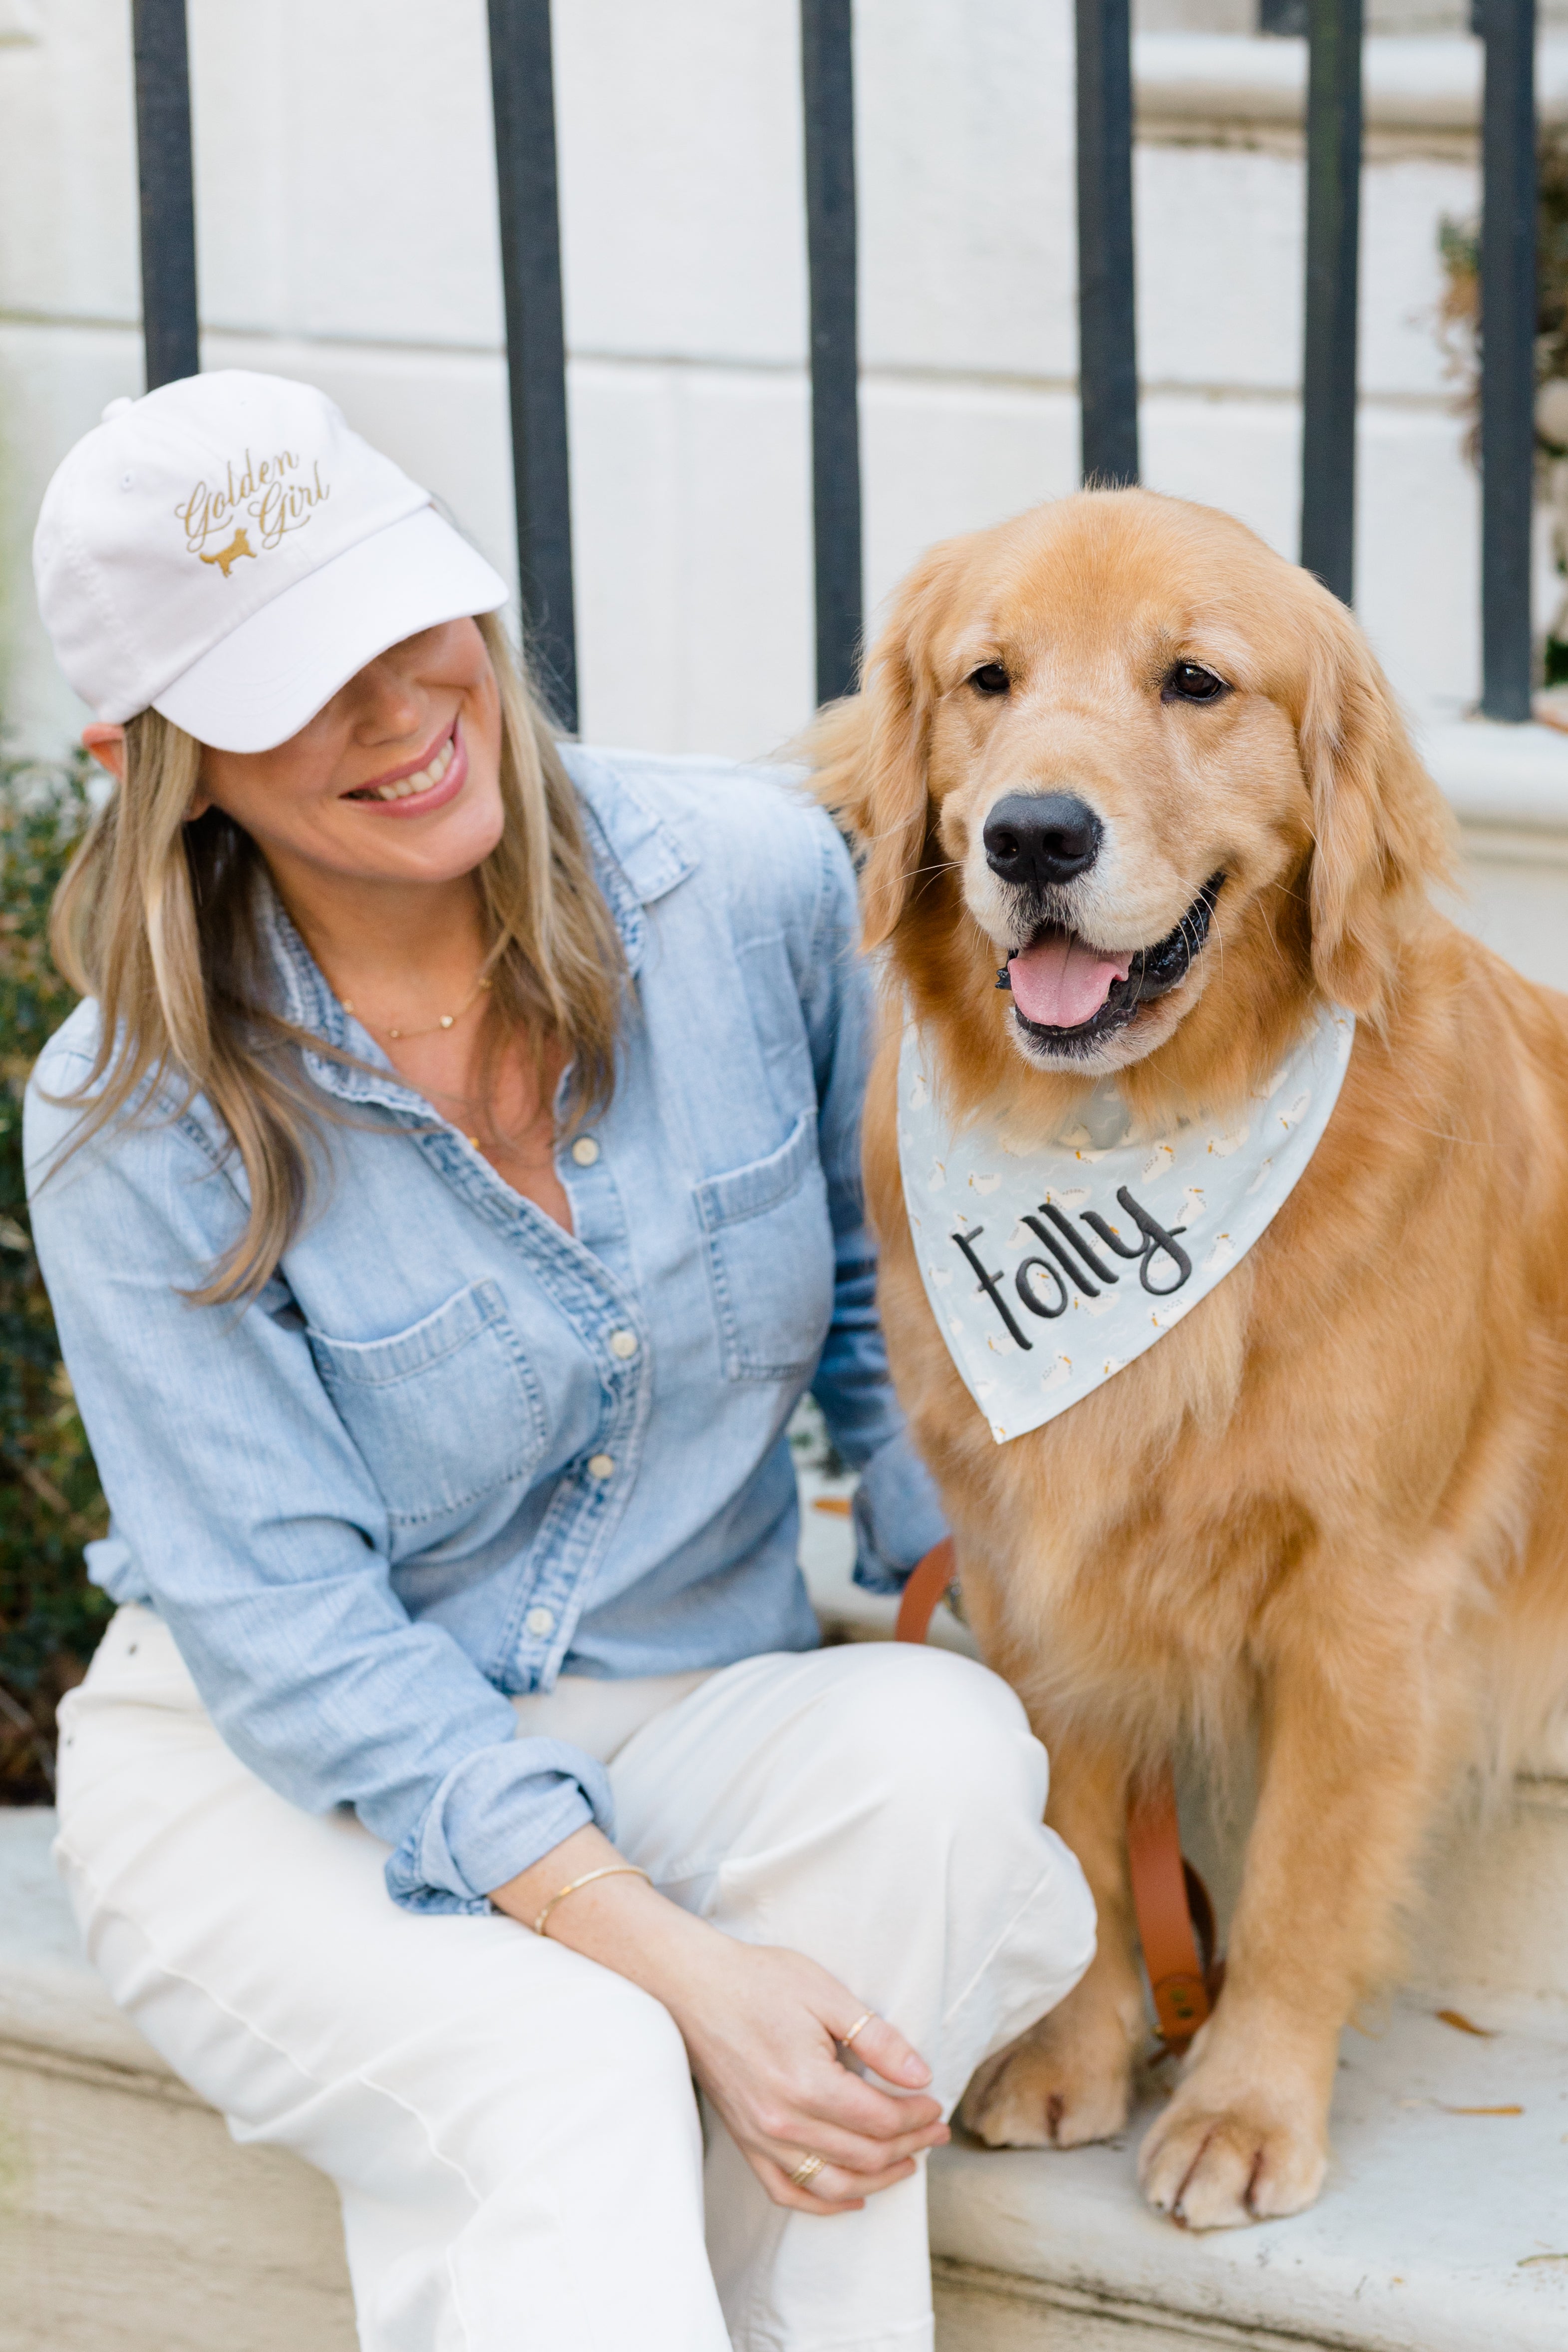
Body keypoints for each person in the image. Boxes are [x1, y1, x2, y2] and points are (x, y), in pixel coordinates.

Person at [24, 371, 1095, 2352]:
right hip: (290, 1771)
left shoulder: (756, 883)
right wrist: (681, 1965)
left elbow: (891, 1302)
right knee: (580, 2067)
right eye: (290, 679)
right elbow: (293, 1635)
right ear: (154, 756)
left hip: (688, 1684)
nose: (397, 707)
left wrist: (984, 1588)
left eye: (398, 614)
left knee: (949, 1765)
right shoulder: (134, 1110)